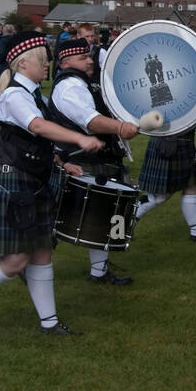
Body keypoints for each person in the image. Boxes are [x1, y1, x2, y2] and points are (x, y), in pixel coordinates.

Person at [0, 33, 104, 337]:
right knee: (16, 261)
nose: (48, 64)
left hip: (35, 181)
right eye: (43, 59)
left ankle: (49, 323)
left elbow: (39, 139)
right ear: (24, 63)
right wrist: (80, 138)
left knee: (42, 253)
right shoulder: (14, 96)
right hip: (13, 183)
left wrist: (61, 161)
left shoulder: (36, 96)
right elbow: (38, 126)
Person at [47, 37, 139, 284]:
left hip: (96, 157)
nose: (90, 61)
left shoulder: (84, 82)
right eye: (83, 58)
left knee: (101, 214)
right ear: (66, 61)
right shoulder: (70, 87)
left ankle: (99, 272)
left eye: (89, 56)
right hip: (77, 159)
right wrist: (120, 127)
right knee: (59, 219)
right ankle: (26, 262)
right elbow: (90, 120)